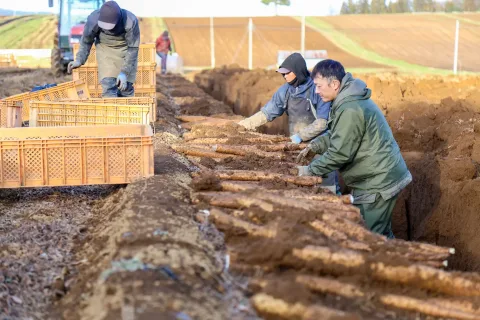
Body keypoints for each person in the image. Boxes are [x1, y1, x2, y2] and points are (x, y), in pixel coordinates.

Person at [296, 59, 412, 238]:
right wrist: (315, 146)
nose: (316, 91)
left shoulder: (350, 108)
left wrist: (309, 170)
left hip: (378, 182)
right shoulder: (345, 100)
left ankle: (393, 264)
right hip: (373, 177)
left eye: (318, 86)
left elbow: (340, 153)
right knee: (379, 233)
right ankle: (401, 262)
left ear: (334, 84)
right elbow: (338, 133)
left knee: (369, 237)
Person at [237, 52, 337, 193]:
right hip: (297, 148)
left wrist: (300, 136)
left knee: (326, 183)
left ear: (298, 71)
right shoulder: (285, 91)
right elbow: (267, 113)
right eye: (282, 74)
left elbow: (322, 123)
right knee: (301, 182)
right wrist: (243, 125)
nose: (284, 76)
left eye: (287, 73)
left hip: (321, 145)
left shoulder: (317, 89)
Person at [67, 1, 140, 98]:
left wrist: (124, 73)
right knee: (108, 85)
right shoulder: (93, 19)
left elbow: (133, 48)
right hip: (105, 50)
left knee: (126, 88)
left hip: (126, 50)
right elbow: (86, 41)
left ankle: (128, 111)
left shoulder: (130, 21)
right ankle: (111, 112)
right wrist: (79, 60)